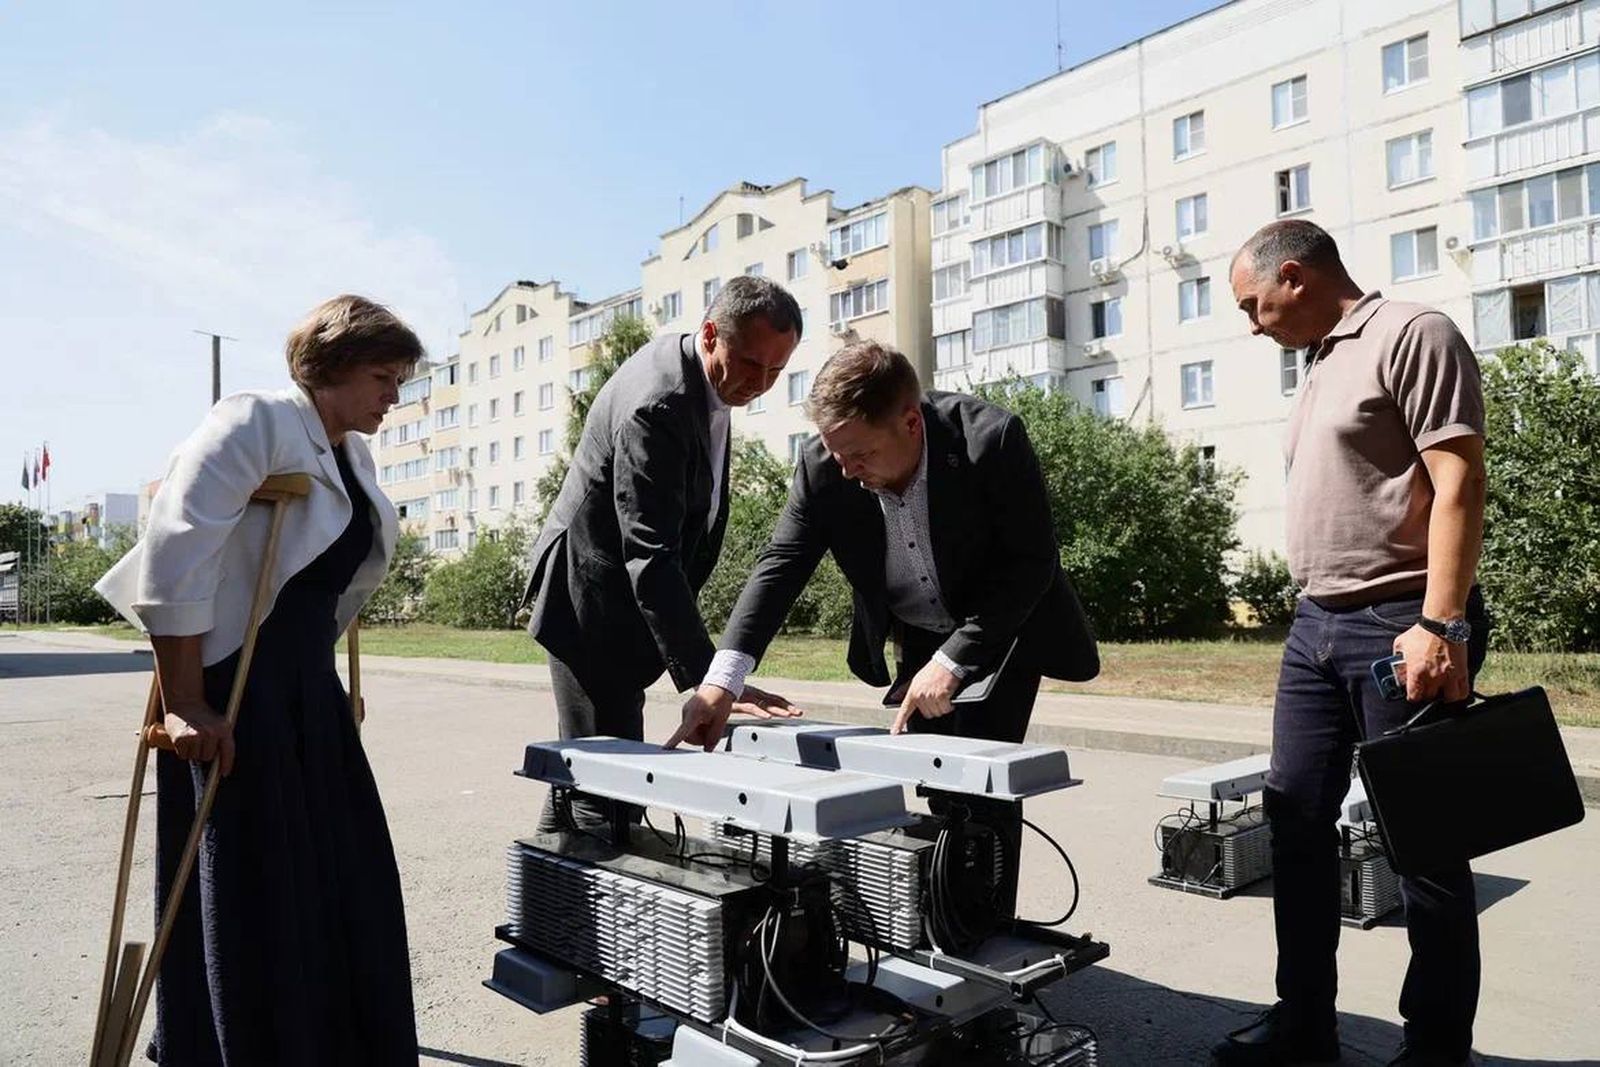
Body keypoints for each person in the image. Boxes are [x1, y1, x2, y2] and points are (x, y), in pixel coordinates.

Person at [96, 295, 422, 1064]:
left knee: (338, 883)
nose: (394, 396)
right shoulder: (256, 421)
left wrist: (329, 678)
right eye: (383, 376)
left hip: (306, 692)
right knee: (254, 880)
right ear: (332, 368)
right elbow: (174, 555)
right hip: (232, 684)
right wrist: (183, 701)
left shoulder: (354, 452)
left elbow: (329, 581)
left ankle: (329, 1040)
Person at [1214, 220, 1490, 1067]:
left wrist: (1440, 624)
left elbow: (1460, 479)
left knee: (1425, 849)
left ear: (1294, 277)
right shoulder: (1322, 363)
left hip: (1401, 620)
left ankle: (1436, 1047)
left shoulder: (1411, 333)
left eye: (1255, 306)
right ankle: (1306, 1022)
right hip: (1316, 626)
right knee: (1293, 818)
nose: (1253, 326)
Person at [668, 339, 1099, 753]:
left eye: (861, 454)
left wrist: (952, 661)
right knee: (932, 774)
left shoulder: (990, 441)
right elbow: (781, 566)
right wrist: (721, 681)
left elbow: (1031, 561)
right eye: (837, 454)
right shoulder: (825, 466)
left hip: (996, 627)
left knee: (983, 779)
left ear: (911, 423)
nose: (848, 470)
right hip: (916, 633)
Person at [521, 275, 804, 831]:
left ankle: (547, 903)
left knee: (584, 776)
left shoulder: (706, 382)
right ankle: (578, 910)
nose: (762, 384)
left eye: (777, 371)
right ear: (709, 335)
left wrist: (716, 676)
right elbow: (650, 552)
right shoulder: (661, 405)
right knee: (606, 782)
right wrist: (709, 679)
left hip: (616, 600)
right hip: (589, 601)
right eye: (751, 364)